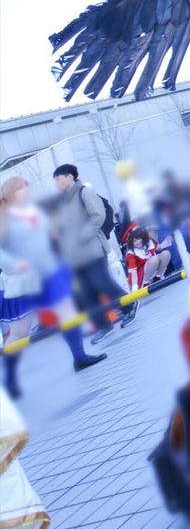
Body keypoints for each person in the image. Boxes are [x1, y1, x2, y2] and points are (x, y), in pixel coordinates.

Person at [0, 175, 106, 396]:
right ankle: (8, 379)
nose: (27, 189)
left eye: (27, 186)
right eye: (23, 187)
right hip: (22, 280)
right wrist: (15, 264)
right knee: (19, 332)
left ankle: (80, 356)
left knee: (67, 312)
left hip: (47, 273)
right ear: (11, 194)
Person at [49, 164, 136, 339]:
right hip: (74, 256)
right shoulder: (61, 201)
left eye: (59, 178)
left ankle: (129, 306)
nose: (57, 183)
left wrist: (81, 236)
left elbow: (98, 216)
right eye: (55, 180)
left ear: (70, 177)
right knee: (87, 292)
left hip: (93, 249)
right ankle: (104, 325)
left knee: (102, 284)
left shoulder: (84, 192)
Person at [122, 225, 171, 289]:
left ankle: (158, 277)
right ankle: (146, 283)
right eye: (134, 241)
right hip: (140, 277)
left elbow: (158, 248)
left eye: (139, 238)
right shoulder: (131, 253)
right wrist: (134, 288)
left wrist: (167, 241)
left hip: (152, 270)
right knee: (154, 259)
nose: (137, 242)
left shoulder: (149, 242)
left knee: (166, 253)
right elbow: (133, 272)